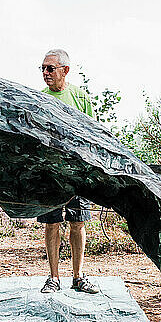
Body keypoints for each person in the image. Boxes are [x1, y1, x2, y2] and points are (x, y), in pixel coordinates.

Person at [38, 49, 99, 294]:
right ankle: (53, 278)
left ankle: (78, 277)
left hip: (77, 173)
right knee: (52, 224)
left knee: (78, 222)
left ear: (65, 70)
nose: (45, 73)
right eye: (42, 68)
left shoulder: (80, 98)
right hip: (50, 173)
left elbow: (93, 135)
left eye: (50, 68)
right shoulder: (38, 98)